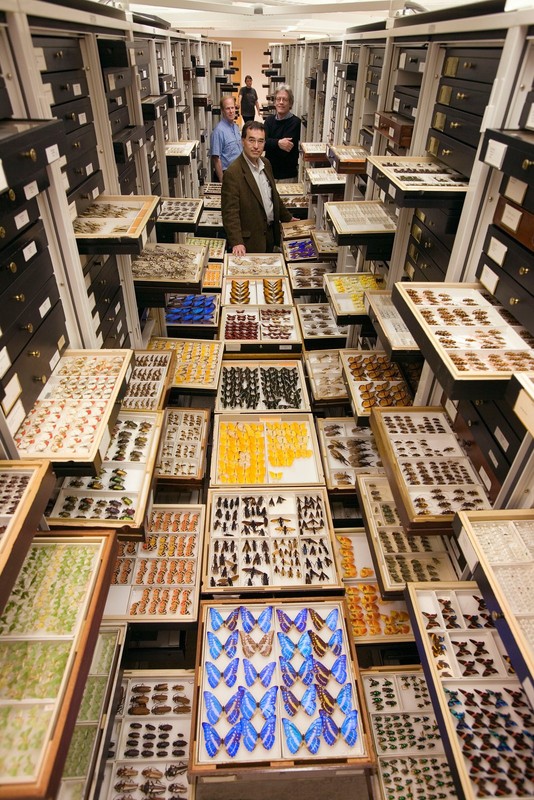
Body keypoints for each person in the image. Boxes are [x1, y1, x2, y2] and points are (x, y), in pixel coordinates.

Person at [221, 121, 294, 254]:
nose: (256, 146)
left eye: (260, 141)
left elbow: (273, 195)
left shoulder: (266, 163)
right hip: (249, 242)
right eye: (251, 140)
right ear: (243, 141)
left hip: (270, 236)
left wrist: (287, 217)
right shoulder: (233, 172)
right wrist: (236, 242)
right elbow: (230, 212)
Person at [264, 85, 301, 181]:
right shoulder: (269, 121)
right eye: (278, 99)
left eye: (284, 99)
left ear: (290, 103)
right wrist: (278, 143)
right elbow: (262, 144)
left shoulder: (295, 123)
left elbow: (285, 150)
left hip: (287, 177)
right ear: (275, 102)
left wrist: (270, 143)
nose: (281, 102)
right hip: (269, 175)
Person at [210, 96, 243, 182]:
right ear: (222, 111)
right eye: (228, 108)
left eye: (232, 107)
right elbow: (216, 159)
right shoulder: (219, 131)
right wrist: (222, 181)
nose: (231, 111)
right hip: (227, 175)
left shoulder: (235, 127)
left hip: (238, 173)